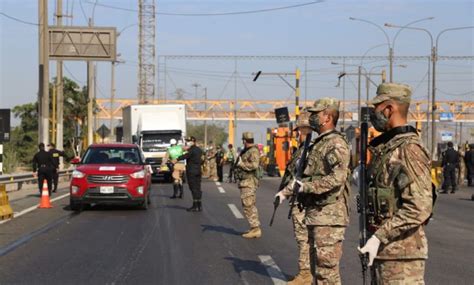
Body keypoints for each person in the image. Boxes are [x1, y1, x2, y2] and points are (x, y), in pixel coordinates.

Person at [359, 83, 433, 284]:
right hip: (386, 252)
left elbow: (420, 206)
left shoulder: (409, 149)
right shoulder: (388, 147)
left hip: (402, 256)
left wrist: (379, 236)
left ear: (389, 108)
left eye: (377, 108)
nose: (374, 113)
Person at [277, 98, 350, 284]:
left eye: (316, 114)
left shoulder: (336, 143)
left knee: (327, 273)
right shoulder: (320, 142)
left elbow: (337, 178)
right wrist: (287, 192)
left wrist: (306, 187)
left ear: (327, 116)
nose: (312, 117)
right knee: (317, 271)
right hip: (316, 214)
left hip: (329, 216)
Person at [274, 110, 313, 285]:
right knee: (304, 238)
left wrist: (285, 192)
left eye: (299, 130)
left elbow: (301, 178)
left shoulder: (310, 150)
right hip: (300, 199)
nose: (297, 134)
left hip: (304, 200)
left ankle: (305, 274)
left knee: (303, 237)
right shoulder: (303, 150)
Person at [234, 132, 262, 239]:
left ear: (245, 141)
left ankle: (255, 228)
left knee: (248, 205)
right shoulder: (247, 151)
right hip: (245, 181)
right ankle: (254, 227)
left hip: (249, 181)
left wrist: (241, 164)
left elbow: (254, 165)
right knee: (248, 204)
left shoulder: (253, 151)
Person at [178, 136, 203, 212]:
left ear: (193, 141)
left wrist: (177, 159)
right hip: (198, 170)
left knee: (193, 188)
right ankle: (199, 205)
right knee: (198, 188)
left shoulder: (192, 150)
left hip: (192, 171)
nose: (187, 143)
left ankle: (195, 206)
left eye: (188, 141)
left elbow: (186, 156)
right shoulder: (199, 150)